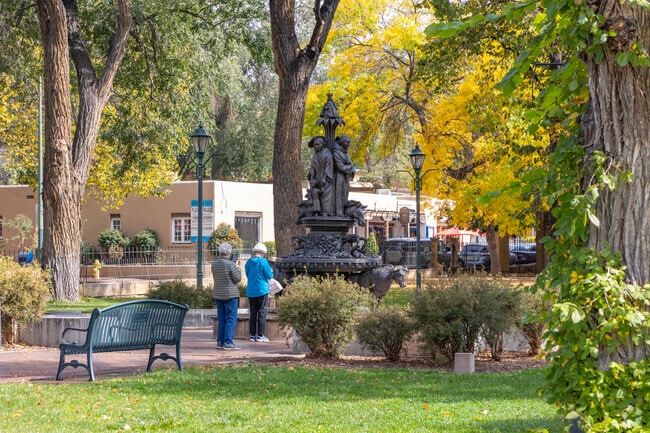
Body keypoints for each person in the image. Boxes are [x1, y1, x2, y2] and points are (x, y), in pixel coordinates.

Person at [211, 242, 242, 350]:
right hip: (230, 294)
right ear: (229, 253)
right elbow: (237, 278)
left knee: (221, 318)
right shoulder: (230, 264)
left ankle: (220, 341)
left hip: (218, 294)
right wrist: (239, 270)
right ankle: (228, 341)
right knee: (230, 318)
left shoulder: (214, 263)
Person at [244, 242, 274, 342]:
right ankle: (260, 335)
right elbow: (269, 275)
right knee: (262, 312)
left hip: (251, 290)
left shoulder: (249, 262)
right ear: (263, 252)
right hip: (262, 289)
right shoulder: (263, 262)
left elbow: (247, 274)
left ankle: (252, 335)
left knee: (253, 313)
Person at [307, 135, 334, 216]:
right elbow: (312, 167)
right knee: (315, 195)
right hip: (317, 178)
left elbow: (328, 167)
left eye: (318, 144)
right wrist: (311, 177)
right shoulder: (315, 155)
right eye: (315, 145)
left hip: (325, 179)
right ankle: (316, 211)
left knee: (325, 195)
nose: (316, 146)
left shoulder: (327, 154)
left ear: (323, 144)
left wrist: (324, 178)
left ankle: (326, 212)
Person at [332, 134, 355, 217]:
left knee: (345, 193)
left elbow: (351, 165)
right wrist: (350, 167)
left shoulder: (345, 152)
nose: (348, 145)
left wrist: (351, 169)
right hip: (339, 176)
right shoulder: (336, 152)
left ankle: (343, 209)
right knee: (339, 193)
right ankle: (338, 211)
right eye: (347, 143)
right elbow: (340, 166)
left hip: (345, 176)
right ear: (342, 143)